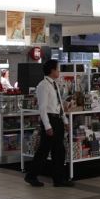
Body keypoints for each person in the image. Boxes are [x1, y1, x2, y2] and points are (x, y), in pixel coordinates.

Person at [25, 60, 73, 188]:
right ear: (51, 70)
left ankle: (57, 179)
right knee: (44, 151)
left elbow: (59, 105)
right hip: (50, 121)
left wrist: (65, 120)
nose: (59, 71)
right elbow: (42, 108)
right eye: (57, 69)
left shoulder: (55, 85)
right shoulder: (43, 85)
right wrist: (47, 126)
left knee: (58, 151)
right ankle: (32, 176)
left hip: (57, 120)